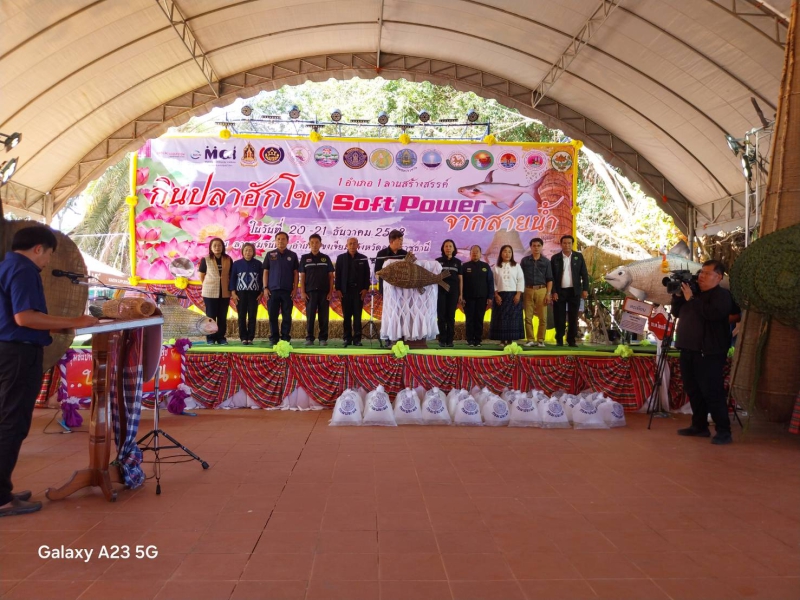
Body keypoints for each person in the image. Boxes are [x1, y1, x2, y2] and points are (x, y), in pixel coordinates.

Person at [0, 226, 98, 517]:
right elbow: (25, 318)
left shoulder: (7, 266)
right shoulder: (24, 269)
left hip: (9, 350)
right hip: (19, 353)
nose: (47, 262)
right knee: (13, 422)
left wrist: (62, 325)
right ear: (38, 249)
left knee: (8, 418)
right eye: (49, 255)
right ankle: (1, 497)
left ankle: (3, 487)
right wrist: (74, 321)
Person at [671, 260, 734, 445]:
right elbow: (677, 312)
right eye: (701, 273)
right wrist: (678, 296)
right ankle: (699, 426)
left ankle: (724, 431)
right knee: (693, 389)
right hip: (688, 349)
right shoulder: (693, 293)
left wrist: (691, 299)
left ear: (718, 277)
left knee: (712, 391)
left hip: (709, 352)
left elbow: (712, 314)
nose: (701, 276)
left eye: (707, 273)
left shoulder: (722, 295)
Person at [550, 235, 589, 347]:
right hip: (559, 292)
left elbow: (584, 274)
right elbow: (551, 277)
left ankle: (571, 340)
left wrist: (585, 289)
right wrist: (553, 291)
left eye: (569, 243)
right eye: (564, 243)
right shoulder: (555, 258)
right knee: (559, 317)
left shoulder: (578, 256)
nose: (567, 245)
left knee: (573, 317)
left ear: (572, 244)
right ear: (561, 244)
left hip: (574, 292)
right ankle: (559, 339)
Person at [263, 231, 299, 345]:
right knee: (272, 315)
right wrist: (265, 287)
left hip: (287, 291)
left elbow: (296, 273)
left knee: (287, 316)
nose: (280, 241)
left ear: (287, 241)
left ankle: (285, 338)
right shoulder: (270, 254)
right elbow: (265, 271)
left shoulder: (292, 255)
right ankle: (274, 338)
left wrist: (295, 289)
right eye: (278, 239)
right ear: (275, 241)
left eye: (283, 239)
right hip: (272, 290)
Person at [299, 234, 334, 346]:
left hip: (324, 292)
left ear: (320, 244)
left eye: (317, 242)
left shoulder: (326, 258)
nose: (314, 245)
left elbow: (331, 276)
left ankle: (323, 338)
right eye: (312, 242)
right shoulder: (304, 258)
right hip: (310, 292)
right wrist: (302, 292)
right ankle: (309, 338)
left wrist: (330, 292)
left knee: (324, 316)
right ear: (308, 244)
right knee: (310, 316)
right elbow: (302, 276)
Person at [375, 229, 408, 347]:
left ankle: (401, 336)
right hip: (388, 290)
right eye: (400, 240)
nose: (402, 242)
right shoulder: (382, 254)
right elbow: (377, 272)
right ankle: (389, 337)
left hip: (403, 290)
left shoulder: (404, 254)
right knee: (389, 313)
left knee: (402, 313)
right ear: (392, 241)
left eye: (402, 240)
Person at [335, 237, 370, 347]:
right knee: (346, 316)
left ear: (358, 245)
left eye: (354, 243)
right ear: (346, 245)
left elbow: (367, 275)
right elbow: (338, 275)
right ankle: (347, 338)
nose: (352, 245)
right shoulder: (341, 258)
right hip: (345, 291)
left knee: (357, 316)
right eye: (350, 243)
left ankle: (357, 339)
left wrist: (365, 289)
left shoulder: (363, 258)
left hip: (358, 292)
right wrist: (338, 289)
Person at [198, 237, 233, 345]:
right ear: (211, 247)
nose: (217, 247)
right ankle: (210, 338)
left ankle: (221, 337)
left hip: (225, 292)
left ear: (223, 247)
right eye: (215, 245)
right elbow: (202, 275)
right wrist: (208, 284)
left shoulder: (228, 259)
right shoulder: (206, 259)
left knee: (222, 316)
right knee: (210, 316)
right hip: (209, 292)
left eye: (219, 245)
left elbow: (231, 275)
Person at [520, 237, 553, 347]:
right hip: (528, 290)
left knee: (543, 317)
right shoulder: (525, 261)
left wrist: (548, 294)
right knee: (528, 317)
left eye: (538, 245)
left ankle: (540, 340)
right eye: (534, 246)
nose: (536, 248)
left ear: (541, 247)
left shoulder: (546, 262)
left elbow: (549, 279)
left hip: (542, 290)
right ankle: (530, 339)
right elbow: (520, 277)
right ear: (530, 247)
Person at [489, 245, 525, 346]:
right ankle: (502, 340)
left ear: (512, 254)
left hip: (514, 295)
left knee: (512, 318)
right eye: (505, 251)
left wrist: (518, 294)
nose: (507, 254)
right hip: (500, 296)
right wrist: (496, 295)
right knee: (501, 318)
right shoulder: (496, 267)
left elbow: (520, 280)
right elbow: (493, 282)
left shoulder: (516, 266)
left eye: (509, 252)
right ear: (501, 253)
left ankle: (510, 340)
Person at [229, 243, 263, 345]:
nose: (248, 252)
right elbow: (232, 279)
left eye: (250, 250)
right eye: (246, 250)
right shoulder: (236, 264)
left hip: (254, 294)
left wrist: (261, 293)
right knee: (241, 316)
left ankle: (250, 338)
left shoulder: (258, 264)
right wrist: (233, 293)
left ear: (253, 252)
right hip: (240, 294)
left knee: (252, 316)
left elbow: (262, 279)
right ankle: (243, 337)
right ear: (242, 252)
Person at [460, 245, 494, 348]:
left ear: (480, 254)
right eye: (473, 252)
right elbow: (461, 283)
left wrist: (490, 297)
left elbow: (490, 282)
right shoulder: (464, 266)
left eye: (477, 251)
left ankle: (478, 340)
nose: (475, 253)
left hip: (482, 298)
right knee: (469, 319)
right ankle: (470, 340)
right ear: (470, 254)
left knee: (479, 319)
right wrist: (461, 297)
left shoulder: (486, 266)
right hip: (468, 298)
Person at [435, 239, 462, 348]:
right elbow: (434, 277)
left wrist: (461, 294)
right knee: (441, 316)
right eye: (446, 246)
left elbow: (461, 279)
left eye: (450, 246)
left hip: (453, 292)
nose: (448, 248)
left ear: (454, 248)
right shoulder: (437, 261)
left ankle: (450, 340)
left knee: (451, 316)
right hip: (440, 291)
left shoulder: (458, 262)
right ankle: (442, 340)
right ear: (443, 248)